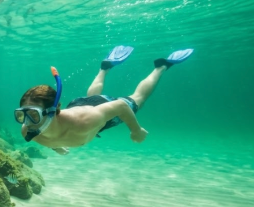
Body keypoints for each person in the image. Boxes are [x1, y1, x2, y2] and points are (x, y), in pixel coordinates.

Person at [14, 46, 193, 155]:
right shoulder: (28, 131)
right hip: (80, 105)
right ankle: (104, 68)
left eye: (33, 115)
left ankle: (162, 66)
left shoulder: (86, 121)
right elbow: (51, 135)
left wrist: (136, 131)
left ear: (54, 109)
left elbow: (121, 106)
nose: (27, 123)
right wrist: (57, 147)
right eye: (21, 115)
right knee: (90, 97)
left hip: (87, 113)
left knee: (137, 99)